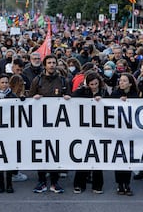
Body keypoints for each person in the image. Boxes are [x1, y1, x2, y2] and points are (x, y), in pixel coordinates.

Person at [29, 54, 72, 194]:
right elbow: (30, 99)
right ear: (45, 65)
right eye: (49, 63)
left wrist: (67, 98)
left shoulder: (63, 81)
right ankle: (41, 181)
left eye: (54, 62)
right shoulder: (38, 80)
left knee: (56, 152)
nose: (52, 65)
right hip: (41, 124)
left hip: (58, 124)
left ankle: (54, 181)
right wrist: (34, 98)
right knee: (41, 151)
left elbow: (71, 99)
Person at [72, 70, 108, 194]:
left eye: (95, 84)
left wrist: (102, 100)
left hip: (99, 129)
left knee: (97, 157)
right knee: (83, 156)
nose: (93, 86)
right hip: (84, 128)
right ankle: (79, 184)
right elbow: (73, 97)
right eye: (91, 84)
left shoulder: (104, 92)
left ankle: (97, 185)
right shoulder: (83, 91)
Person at [110, 72, 139, 196]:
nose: (121, 83)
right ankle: (119, 184)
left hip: (131, 131)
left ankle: (127, 184)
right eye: (120, 81)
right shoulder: (115, 94)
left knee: (128, 158)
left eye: (124, 81)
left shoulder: (136, 95)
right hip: (117, 131)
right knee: (119, 158)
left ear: (130, 83)